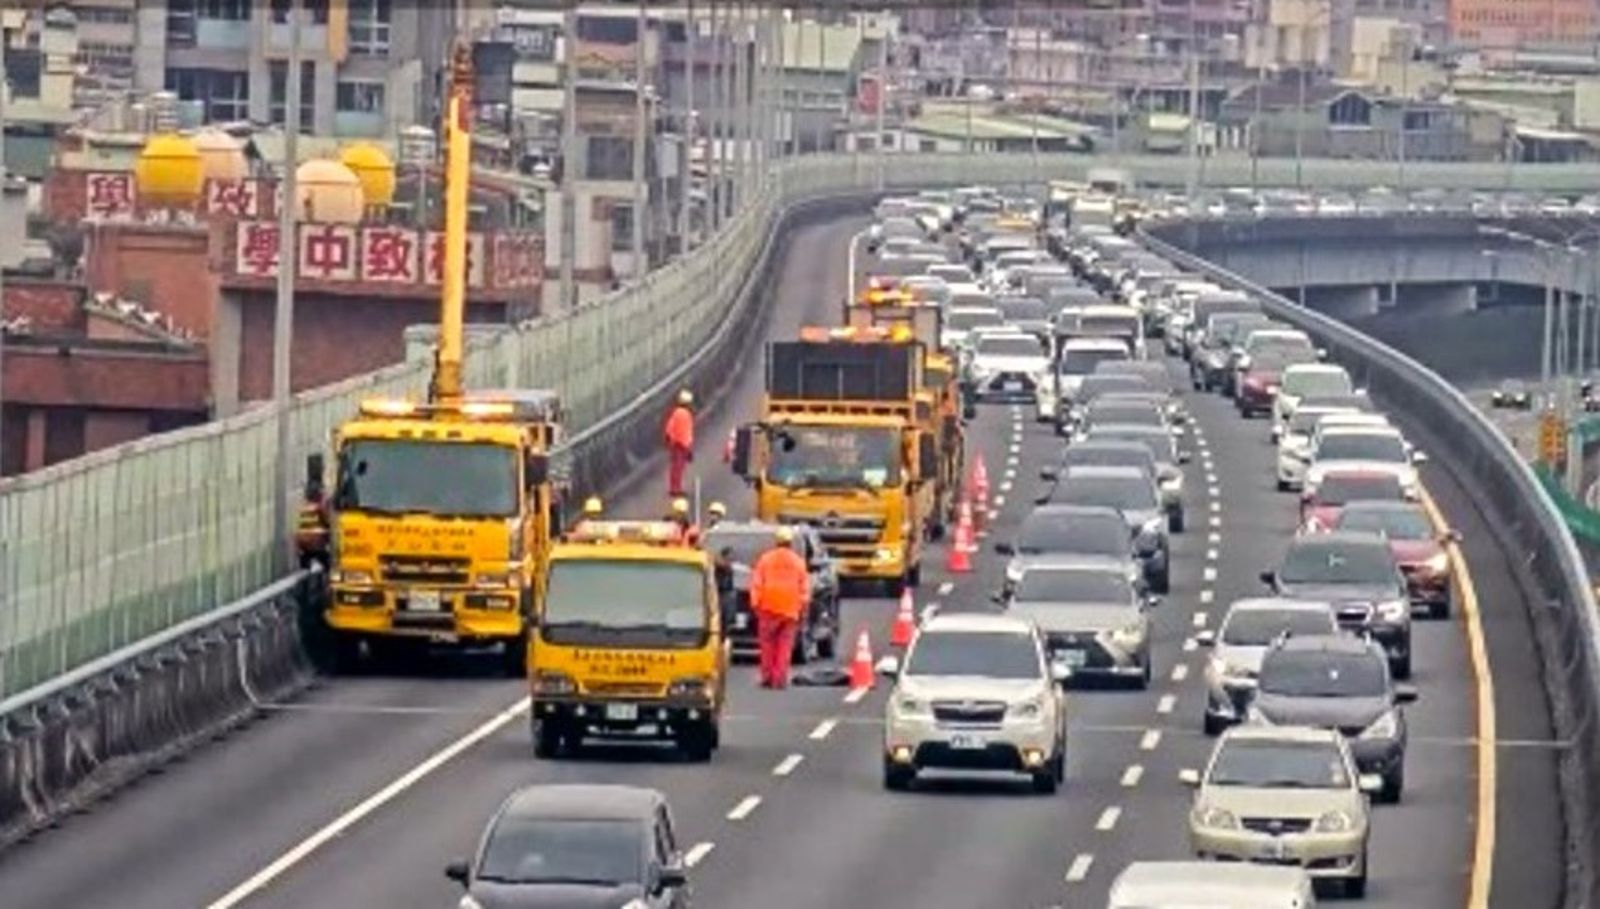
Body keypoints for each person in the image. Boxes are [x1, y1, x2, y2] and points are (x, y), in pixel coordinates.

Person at [748, 526, 810, 689]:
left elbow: (757, 583)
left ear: (776, 541)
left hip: (768, 608)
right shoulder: (798, 562)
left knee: (767, 645)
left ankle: (767, 677)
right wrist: (802, 608)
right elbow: (804, 588)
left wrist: (755, 605)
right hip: (790, 610)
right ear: (790, 542)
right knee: (784, 646)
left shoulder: (765, 559)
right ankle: (779, 679)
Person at [663, 390, 695, 497]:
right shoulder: (686, 415)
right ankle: (676, 489)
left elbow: (669, 428)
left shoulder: (676, 412)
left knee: (675, 467)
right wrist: (689, 448)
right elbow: (687, 432)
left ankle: (674, 487)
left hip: (675, 444)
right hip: (681, 444)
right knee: (679, 467)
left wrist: (668, 439)